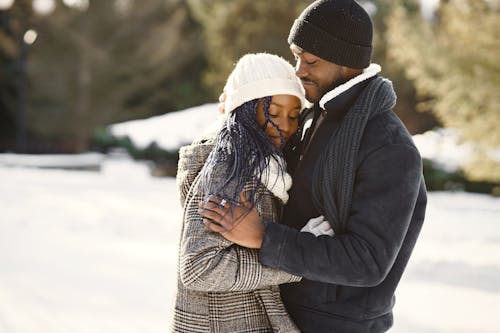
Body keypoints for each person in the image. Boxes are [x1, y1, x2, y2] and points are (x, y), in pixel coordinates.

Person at [199, 1, 428, 332]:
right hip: (283, 311)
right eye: (296, 57)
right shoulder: (313, 115)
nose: (299, 70)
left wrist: (264, 237)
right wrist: (237, 114)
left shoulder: (388, 146)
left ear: (347, 64)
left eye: (310, 61)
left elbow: (367, 262)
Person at [173, 53, 331, 333]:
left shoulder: (266, 167)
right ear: (245, 109)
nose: (285, 124)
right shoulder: (229, 169)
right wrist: (294, 260)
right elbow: (199, 268)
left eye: (294, 116)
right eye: (273, 113)